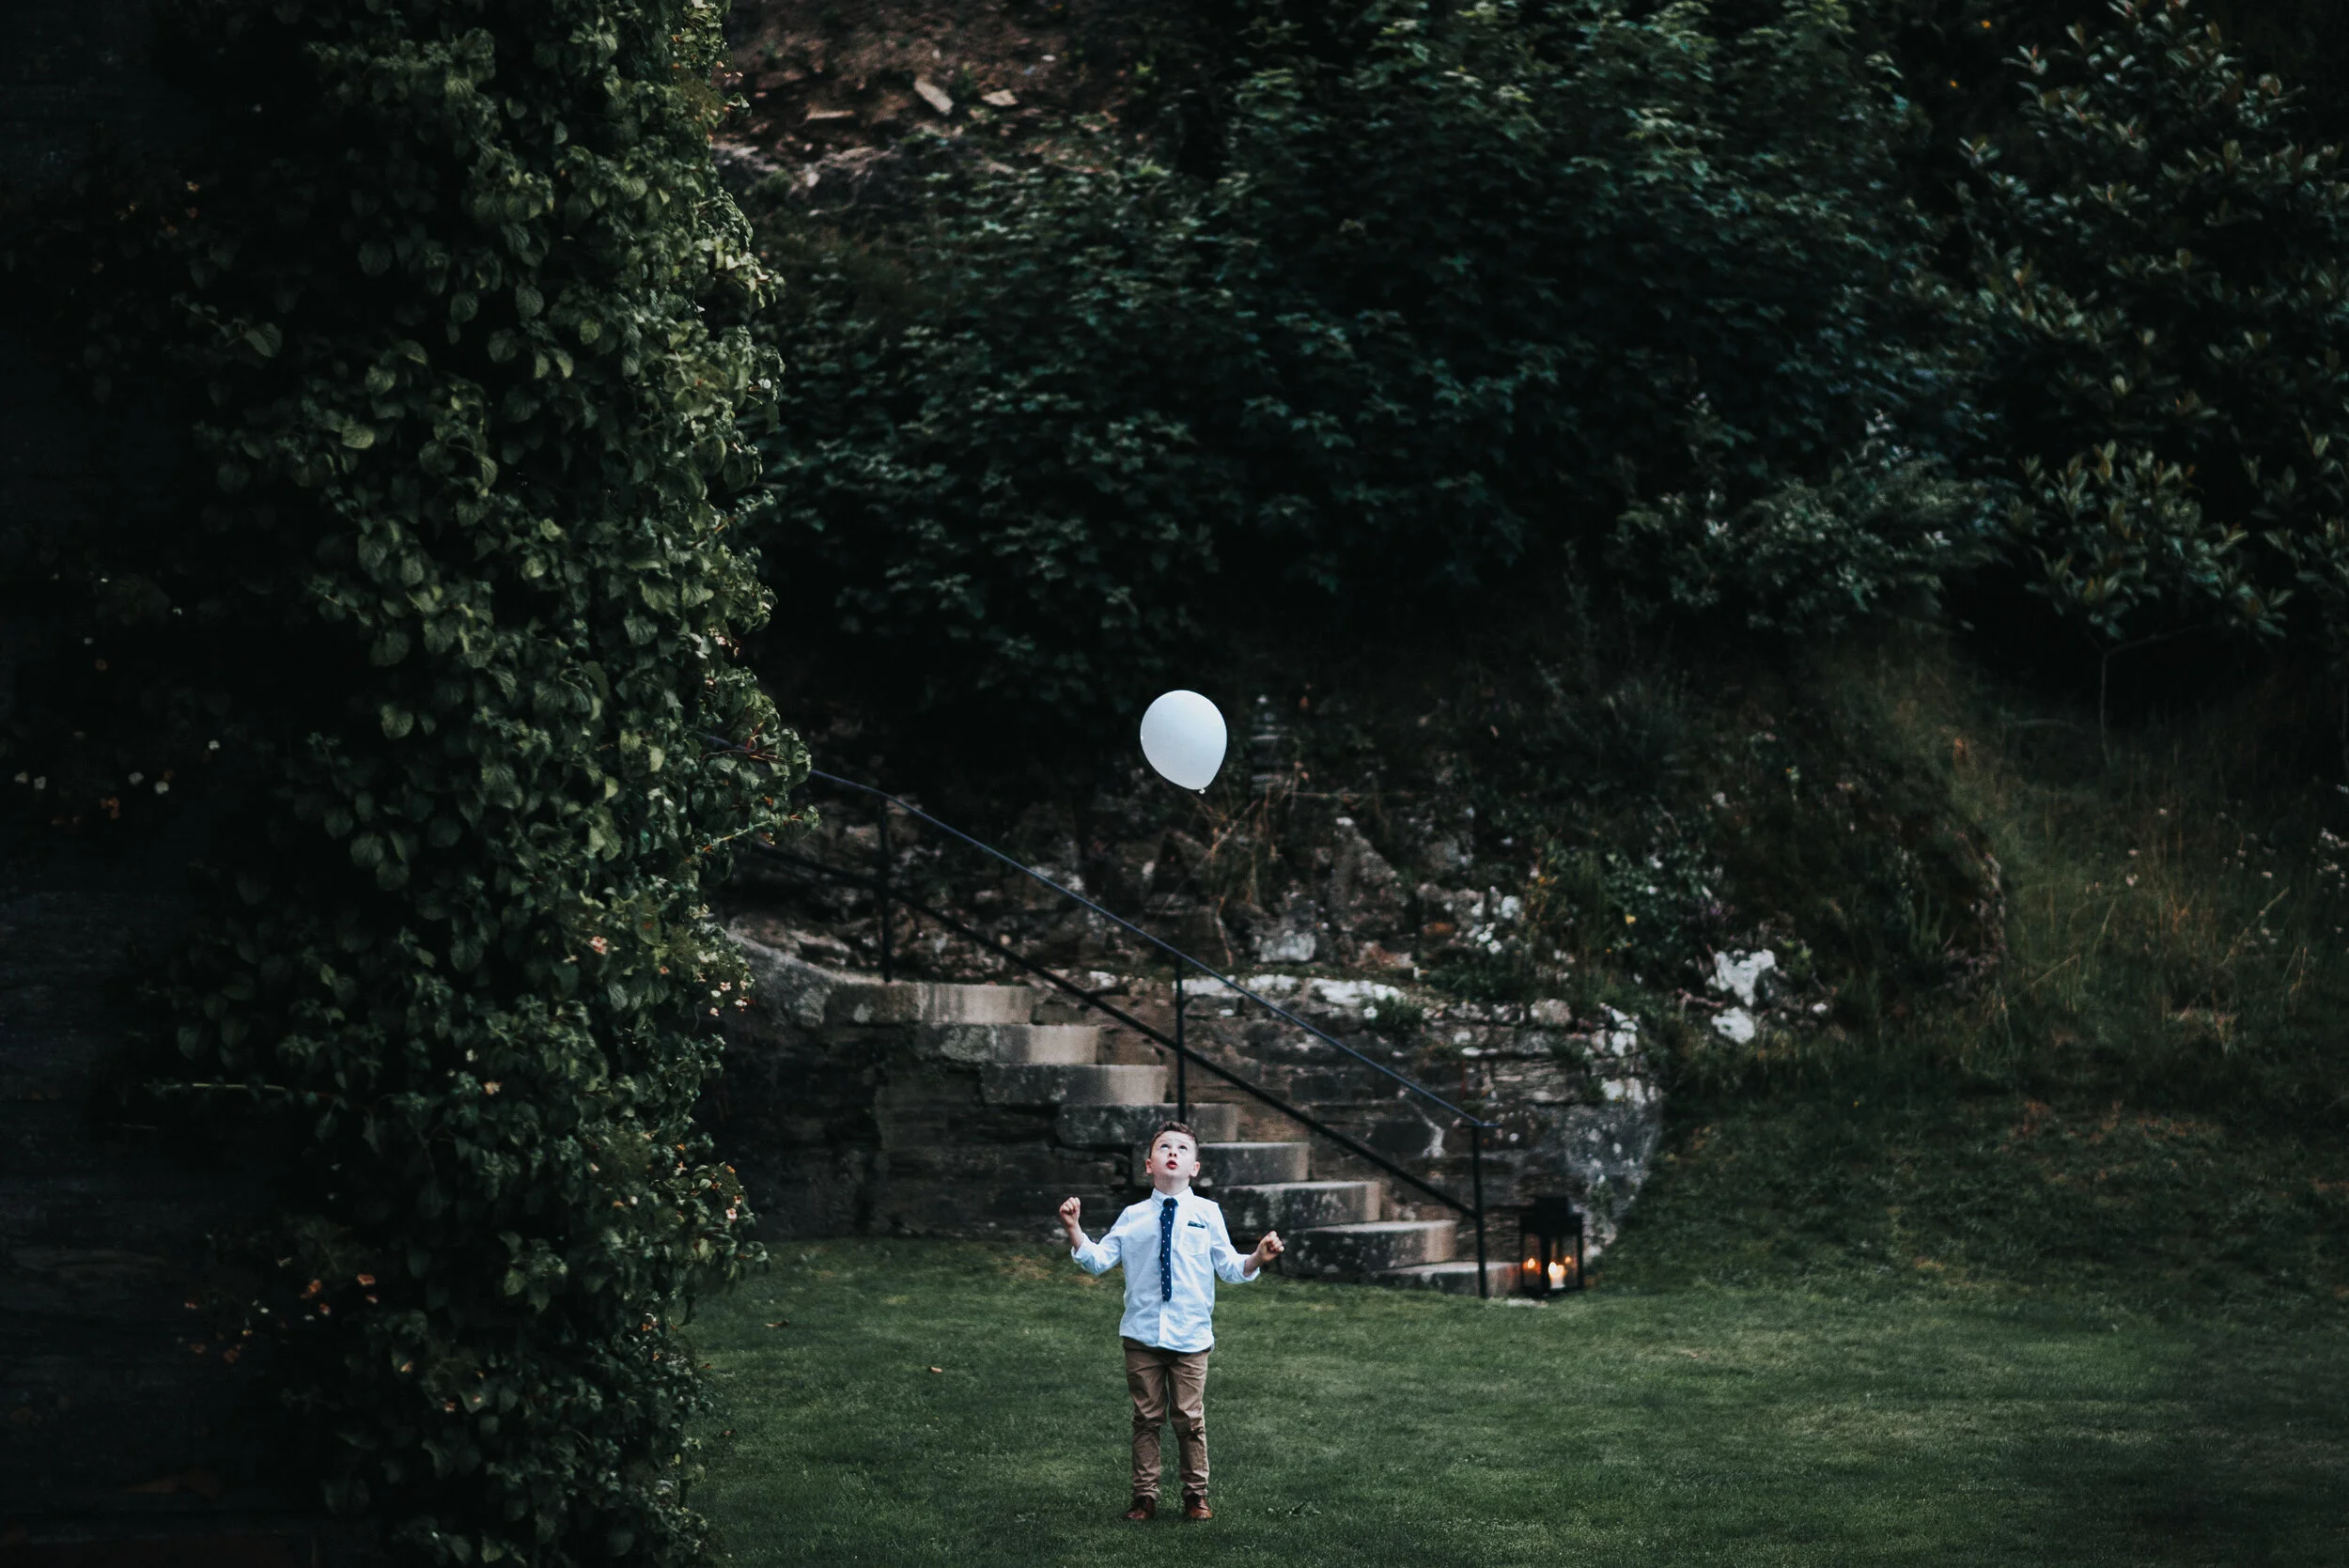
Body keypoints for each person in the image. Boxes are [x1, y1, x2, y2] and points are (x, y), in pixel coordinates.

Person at [1059, 1120, 1283, 1522]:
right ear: (1149, 1164)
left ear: (1194, 1168)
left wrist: (1257, 1258)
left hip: (1191, 1336)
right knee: (1146, 1418)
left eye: (1182, 1148)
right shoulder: (1132, 1216)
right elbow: (1097, 1261)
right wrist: (1075, 1229)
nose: (1173, 1153)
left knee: (1189, 1418)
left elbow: (1230, 1268)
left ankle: (1195, 1494)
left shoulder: (1207, 1213)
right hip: (1141, 1336)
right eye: (1164, 1147)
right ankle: (1144, 1496)